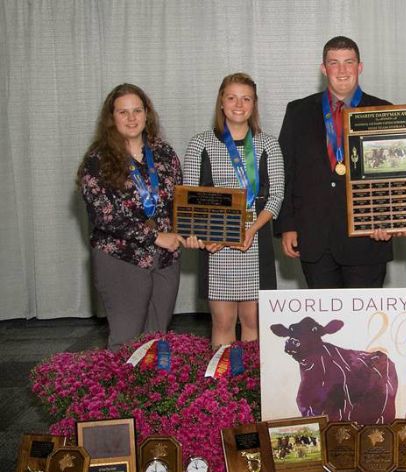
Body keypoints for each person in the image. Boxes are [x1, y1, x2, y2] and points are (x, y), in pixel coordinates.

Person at [276, 36, 393, 288]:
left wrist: (388, 220)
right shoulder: (298, 111)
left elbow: (394, 176)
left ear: (359, 67)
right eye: (334, 63)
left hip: (368, 237)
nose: (342, 70)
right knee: (325, 324)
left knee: (365, 322)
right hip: (314, 237)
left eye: (348, 62)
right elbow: (286, 172)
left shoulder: (383, 111)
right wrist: (287, 225)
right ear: (323, 68)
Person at [78, 83, 184, 350]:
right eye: (123, 112)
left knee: (156, 340)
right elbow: (105, 216)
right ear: (111, 118)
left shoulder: (164, 153)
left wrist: (191, 231)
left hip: (165, 259)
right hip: (121, 258)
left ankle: (152, 391)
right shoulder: (97, 160)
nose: (132, 118)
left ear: (147, 114)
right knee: (125, 340)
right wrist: (154, 236)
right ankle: (119, 392)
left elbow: (179, 202)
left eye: (137, 110)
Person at [183, 73, 284, 347]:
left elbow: (275, 197)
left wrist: (250, 230)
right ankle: (222, 388)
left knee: (253, 322)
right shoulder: (199, 144)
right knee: (223, 322)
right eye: (232, 97)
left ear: (254, 104)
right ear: (221, 102)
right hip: (216, 244)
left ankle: (250, 386)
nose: (239, 104)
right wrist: (204, 236)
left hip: (255, 239)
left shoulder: (269, 144)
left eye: (246, 98)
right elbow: (189, 200)